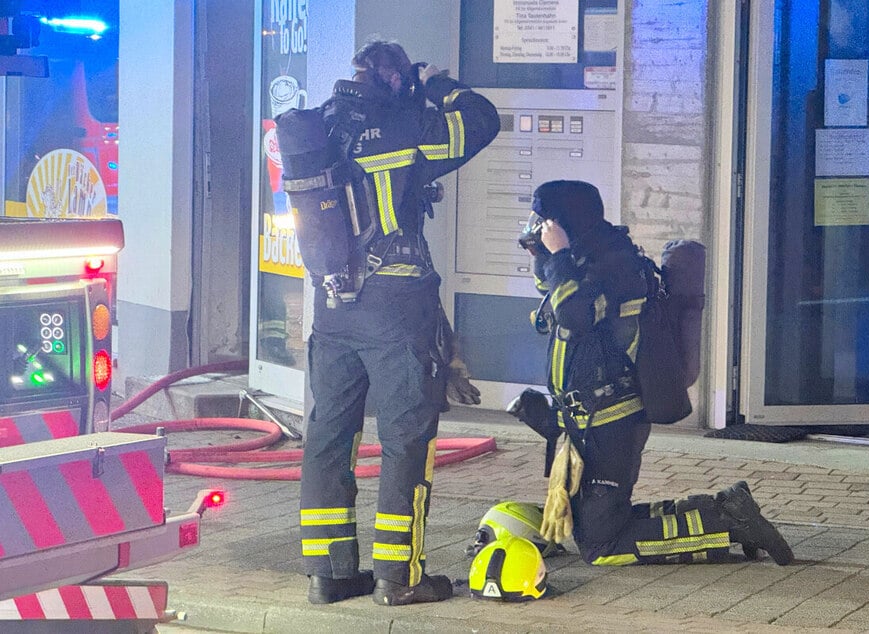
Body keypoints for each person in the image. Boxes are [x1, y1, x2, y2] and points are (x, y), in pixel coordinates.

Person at [296, 40, 499, 606]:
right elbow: (480, 121)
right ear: (392, 78)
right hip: (394, 307)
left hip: (332, 308)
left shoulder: (317, 130)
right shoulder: (406, 125)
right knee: (405, 440)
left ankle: (329, 574)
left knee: (329, 437)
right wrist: (437, 82)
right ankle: (399, 577)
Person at [514, 180, 793, 567]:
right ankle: (726, 508)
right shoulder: (588, 253)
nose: (540, 226)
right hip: (587, 420)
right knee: (597, 524)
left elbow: (573, 314)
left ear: (566, 220)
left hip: (610, 419)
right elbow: (550, 286)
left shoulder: (612, 265)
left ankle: (727, 521)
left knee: (602, 545)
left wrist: (558, 252)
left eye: (545, 220)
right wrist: (541, 251)